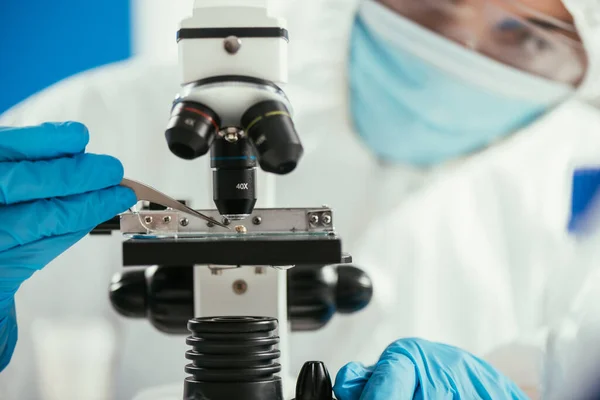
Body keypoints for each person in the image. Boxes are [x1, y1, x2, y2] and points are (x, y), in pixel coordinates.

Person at [1, 0, 599, 398]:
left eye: (526, 35)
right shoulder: (99, 119)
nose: (460, 44)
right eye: (434, 2)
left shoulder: (574, 206)